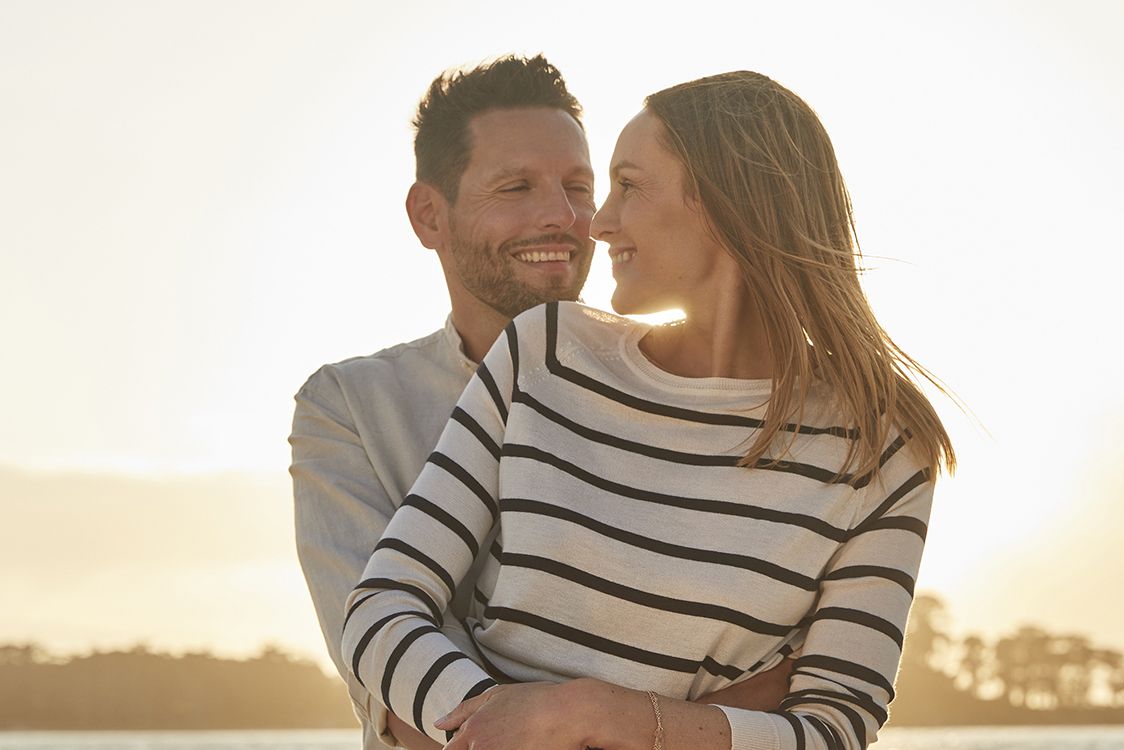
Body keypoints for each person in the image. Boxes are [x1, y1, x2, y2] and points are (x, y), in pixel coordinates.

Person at [341, 70, 956, 750]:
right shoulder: (546, 352)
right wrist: (499, 723)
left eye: (628, 186)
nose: (598, 223)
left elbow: (836, 724)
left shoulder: (881, 442)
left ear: (727, 204)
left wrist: (600, 717)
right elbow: (383, 606)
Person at [290, 56, 789, 750]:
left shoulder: (696, 390)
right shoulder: (349, 406)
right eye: (516, 187)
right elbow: (402, 700)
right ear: (429, 215)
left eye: (579, 186)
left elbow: (789, 685)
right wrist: (666, 720)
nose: (564, 216)